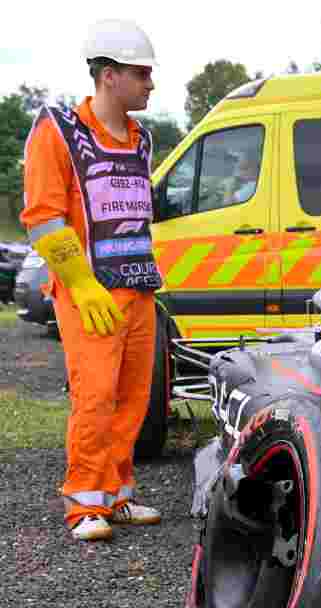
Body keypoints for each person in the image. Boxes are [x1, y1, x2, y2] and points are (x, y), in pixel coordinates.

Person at [21, 19, 164, 541]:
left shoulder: (142, 138)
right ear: (109, 76)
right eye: (141, 74)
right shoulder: (57, 131)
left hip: (139, 286)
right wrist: (80, 283)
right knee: (95, 398)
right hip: (90, 292)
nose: (150, 84)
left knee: (132, 400)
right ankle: (84, 505)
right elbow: (42, 216)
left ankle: (117, 495)